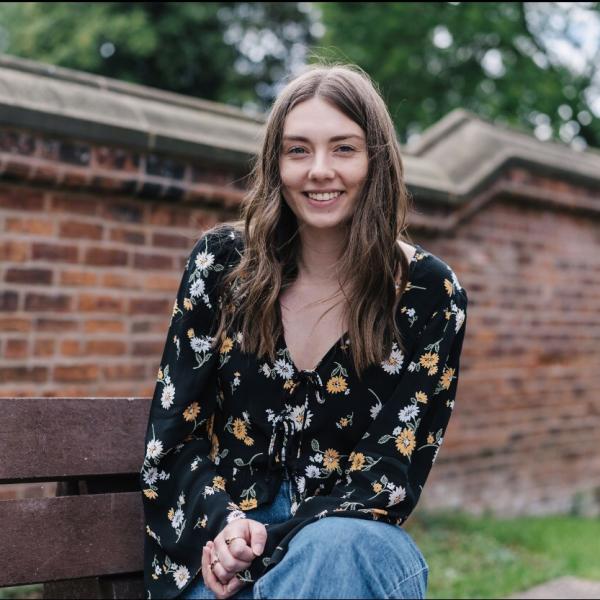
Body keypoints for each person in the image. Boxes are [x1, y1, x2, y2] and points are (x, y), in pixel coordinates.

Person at [140, 62, 468, 600]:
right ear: (276, 164)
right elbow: (173, 440)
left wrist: (271, 542)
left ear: (376, 161)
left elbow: (386, 476)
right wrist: (227, 530)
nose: (319, 169)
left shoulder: (428, 296)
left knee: (338, 552)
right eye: (298, 150)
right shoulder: (221, 267)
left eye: (343, 148)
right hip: (217, 546)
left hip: (349, 541)